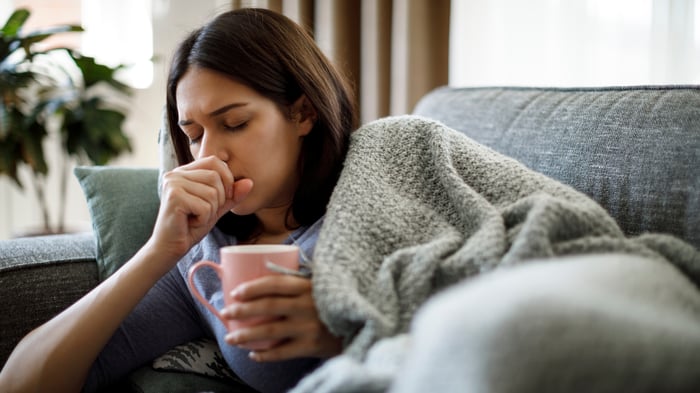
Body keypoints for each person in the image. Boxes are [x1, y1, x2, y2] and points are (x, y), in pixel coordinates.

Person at [0, 8, 356, 393]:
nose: (209, 155)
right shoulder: (203, 263)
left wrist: (346, 336)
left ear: (303, 114)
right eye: (194, 134)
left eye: (234, 124)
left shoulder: (373, 201)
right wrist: (158, 251)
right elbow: (21, 383)